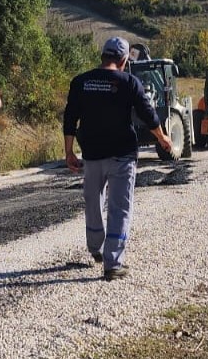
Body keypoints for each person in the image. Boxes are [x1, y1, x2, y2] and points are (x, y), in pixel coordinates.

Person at [63, 36, 173, 281]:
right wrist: (162, 138)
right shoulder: (129, 82)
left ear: (102, 57)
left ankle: (96, 249)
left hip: (91, 155)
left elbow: (70, 117)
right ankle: (113, 264)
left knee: (93, 202)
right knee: (119, 207)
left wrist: (69, 151)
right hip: (122, 155)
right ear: (124, 60)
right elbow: (148, 114)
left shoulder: (80, 82)